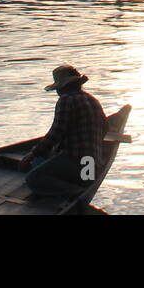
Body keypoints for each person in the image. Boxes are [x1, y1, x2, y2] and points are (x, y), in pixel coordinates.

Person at [19, 64, 107, 198]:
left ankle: (75, 191)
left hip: (79, 165)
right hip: (91, 167)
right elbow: (105, 128)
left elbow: (56, 133)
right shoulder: (93, 100)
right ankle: (75, 186)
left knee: (33, 178)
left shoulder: (66, 100)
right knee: (40, 160)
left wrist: (32, 154)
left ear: (63, 87)